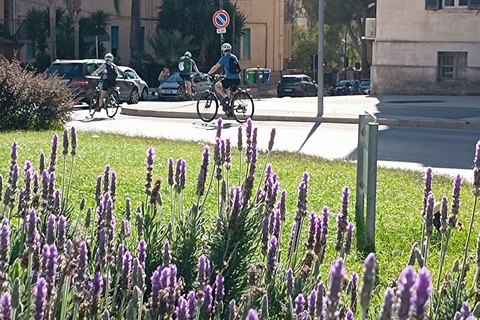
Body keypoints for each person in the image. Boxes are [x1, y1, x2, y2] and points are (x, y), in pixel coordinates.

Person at [206, 43, 241, 116]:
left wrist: (209, 73)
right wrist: (224, 75)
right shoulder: (234, 57)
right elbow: (233, 70)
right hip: (237, 79)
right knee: (230, 93)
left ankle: (224, 97)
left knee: (217, 85)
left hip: (230, 79)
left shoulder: (224, 59)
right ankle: (230, 109)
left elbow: (216, 67)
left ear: (223, 51)